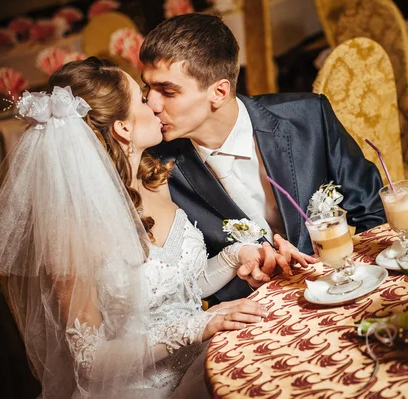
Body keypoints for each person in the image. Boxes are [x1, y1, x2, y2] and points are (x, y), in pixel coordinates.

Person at [0, 57, 313, 398]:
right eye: (142, 96)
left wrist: (237, 256)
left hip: (202, 360)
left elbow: (179, 287)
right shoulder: (75, 230)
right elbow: (89, 358)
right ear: (123, 128)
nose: (154, 103)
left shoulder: (156, 181)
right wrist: (196, 327)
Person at [140, 13, 387, 303]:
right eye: (147, 88)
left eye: (167, 91)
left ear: (219, 92)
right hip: (259, 313)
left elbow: (372, 213)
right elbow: (188, 278)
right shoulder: (158, 169)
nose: (151, 104)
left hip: (349, 283)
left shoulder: (308, 118)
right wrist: (246, 277)